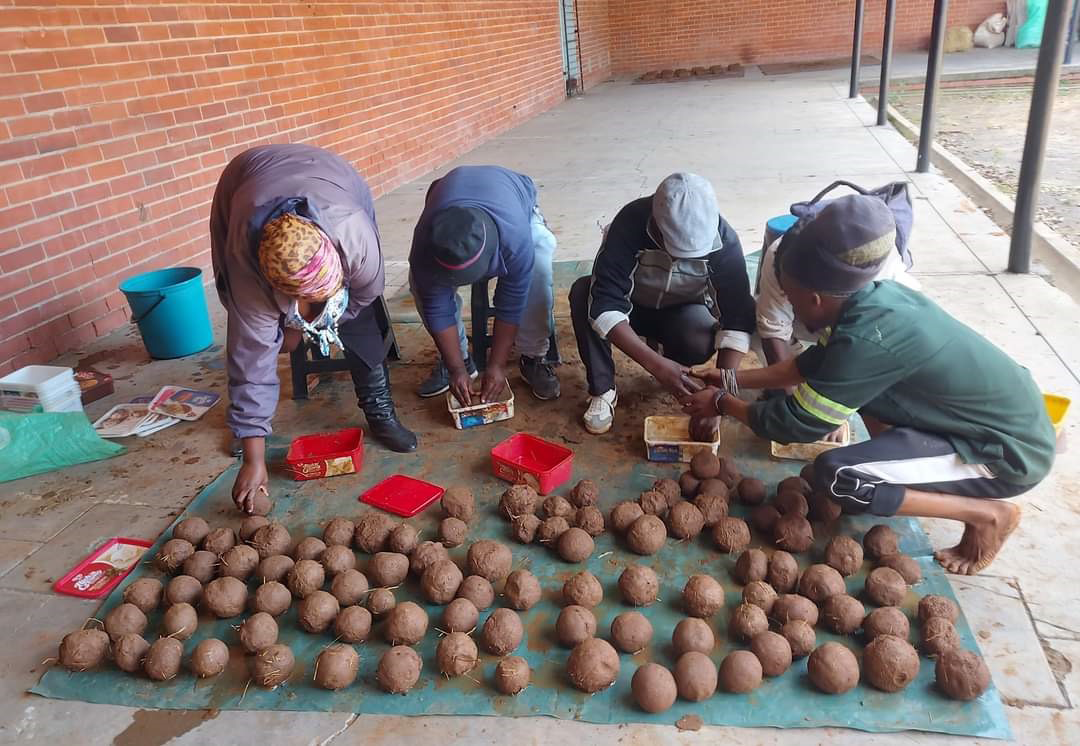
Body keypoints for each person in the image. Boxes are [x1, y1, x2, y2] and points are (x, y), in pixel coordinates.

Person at [682, 194, 1056, 575]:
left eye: (792, 300)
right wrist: (729, 379)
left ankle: (987, 515)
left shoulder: (865, 338)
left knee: (838, 476)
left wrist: (723, 403)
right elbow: (809, 366)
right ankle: (902, 472)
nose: (790, 309)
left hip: (1006, 454)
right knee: (861, 403)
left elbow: (798, 422)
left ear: (815, 299)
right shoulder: (868, 302)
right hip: (993, 423)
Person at [211, 144, 417, 513]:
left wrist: (323, 324)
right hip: (247, 181)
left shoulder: (355, 237)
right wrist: (254, 459)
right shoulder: (247, 267)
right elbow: (250, 359)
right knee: (256, 335)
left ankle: (380, 411)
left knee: (362, 321)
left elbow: (365, 295)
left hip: (332, 177)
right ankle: (250, 429)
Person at [568, 172, 755, 436]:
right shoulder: (631, 222)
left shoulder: (724, 241)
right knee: (583, 293)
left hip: (682, 312)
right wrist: (656, 366)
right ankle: (603, 390)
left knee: (698, 338)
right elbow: (606, 303)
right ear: (656, 223)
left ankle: (666, 356)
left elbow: (737, 319)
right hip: (631, 307)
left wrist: (719, 395)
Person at [409, 165, 558, 404]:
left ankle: (532, 357)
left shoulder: (514, 238)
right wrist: (456, 368)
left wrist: (497, 365)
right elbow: (436, 307)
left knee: (538, 261)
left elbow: (510, 303)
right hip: (452, 198)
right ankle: (461, 362)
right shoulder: (424, 246)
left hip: (514, 198)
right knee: (418, 284)